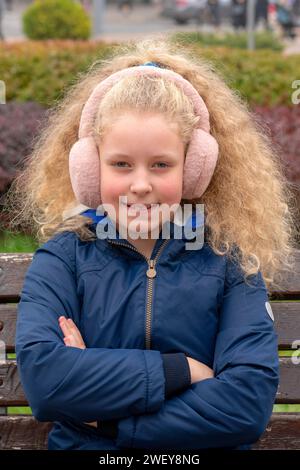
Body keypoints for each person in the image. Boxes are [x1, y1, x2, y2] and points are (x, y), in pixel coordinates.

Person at [7, 37, 297, 450]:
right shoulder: (64, 257)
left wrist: (104, 417)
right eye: (121, 164)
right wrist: (181, 371)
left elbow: (244, 406)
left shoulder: (229, 261)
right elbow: (45, 380)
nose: (140, 184)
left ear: (194, 169)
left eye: (161, 164)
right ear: (90, 167)